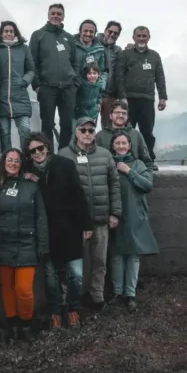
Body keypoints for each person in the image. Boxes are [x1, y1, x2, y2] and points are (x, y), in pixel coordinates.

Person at [25, 132, 93, 329]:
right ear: (28, 155)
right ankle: (55, 311)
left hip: (70, 228)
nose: (37, 153)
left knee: (76, 274)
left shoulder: (65, 165)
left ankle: (72, 309)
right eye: (32, 151)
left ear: (47, 147)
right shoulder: (28, 171)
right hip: (47, 232)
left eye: (40, 148)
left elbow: (79, 195)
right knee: (51, 276)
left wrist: (86, 224)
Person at [58, 117, 121, 310]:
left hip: (101, 219)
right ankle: (69, 300)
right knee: (73, 265)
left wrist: (115, 213)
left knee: (100, 261)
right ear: (76, 132)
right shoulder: (63, 155)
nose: (87, 134)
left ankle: (97, 297)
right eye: (83, 130)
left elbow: (115, 185)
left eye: (91, 130)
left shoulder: (105, 155)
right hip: (75, 223)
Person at [0, 147, 48, 343]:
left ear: (22, 163)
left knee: (24, 289)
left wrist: (42, 245)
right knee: (7, 288)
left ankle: (26, 324)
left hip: (26, 244)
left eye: (17, 160)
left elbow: (41, 217)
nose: (13, 163)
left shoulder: (31, 186)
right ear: (3, 161)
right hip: (3, 243)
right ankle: (12, 325)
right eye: (10, 160)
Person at [109, 131, 158, 312]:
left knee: (133, 256)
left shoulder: (138, 164)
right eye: (117, 143)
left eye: (124, 143)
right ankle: (117, 292)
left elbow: (147, 185)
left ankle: (130, 294)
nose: (121, 146)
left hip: (135, 215)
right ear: (113, 146)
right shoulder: (108, 164)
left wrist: (129, 171)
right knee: (116, 255)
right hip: (115, 215)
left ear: (130, 146)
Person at [115, 26, 168, 168]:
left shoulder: (154, 56)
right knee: (126, 132)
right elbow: (119, 76)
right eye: (138, 36)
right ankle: (125, 160)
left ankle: (148, 160)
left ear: (149, 37)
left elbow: (160, 77)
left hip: (147, 99)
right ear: (133, 37)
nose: (141, 38)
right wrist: (122, 96)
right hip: (128, 100)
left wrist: (163, 97)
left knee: (147, 132)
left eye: (144, 36)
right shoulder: (125, 55)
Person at [29, 4, 78, 151]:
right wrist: (37, 85)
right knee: (47, 124)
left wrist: (74, 83)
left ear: (63, 16)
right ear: (48, 15)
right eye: (53, 13)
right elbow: (32, 62)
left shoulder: (68, 38)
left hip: (67, 88)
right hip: (47, 87)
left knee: (67, 124)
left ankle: (64, 154)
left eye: (59, 14)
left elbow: (75, 62)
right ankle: (48, 156)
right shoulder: (38, 35)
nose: (56, 16)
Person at [0, 21, 34, 151]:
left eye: (11, 31)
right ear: (1, 33)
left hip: (20, 96)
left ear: (15, 33)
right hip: (2, 97)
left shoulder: (24, 49)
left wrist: (24, 81)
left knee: (25, 129)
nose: (9, 34)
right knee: (4, 132)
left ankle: (26, 159)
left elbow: (31, 69)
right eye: (6, 31)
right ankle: (7, 160)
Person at [95, 100, 153, 169]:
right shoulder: (100, 136)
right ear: (110, 116)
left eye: (124, 113)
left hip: (132, 176)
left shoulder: (136, 134)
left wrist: (147, 177)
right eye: (117, 112)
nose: (121, 115)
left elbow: (147, 162)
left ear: (127, 116)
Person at [96, 21, 122, 128]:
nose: (112, 34)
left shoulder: (118, 50)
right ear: (105, 31)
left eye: (115, 33)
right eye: (110, 31)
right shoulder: (94, 44)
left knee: (108, 127)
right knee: (87, 125)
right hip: (92, 93)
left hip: (110, 95)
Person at [72, 19, 107, 90]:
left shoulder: (100, 49)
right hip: (72, 89)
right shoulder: (71, 45)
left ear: (95, 33)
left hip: (90, 91)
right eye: (85, 31)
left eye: (91, 32)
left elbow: (102, 71)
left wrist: (100, 85)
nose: (88, 34)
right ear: (80, 31)